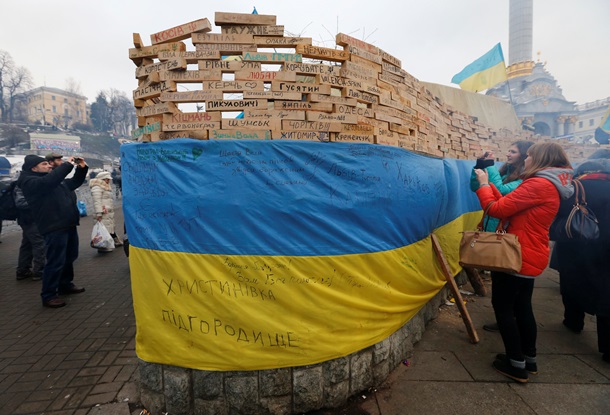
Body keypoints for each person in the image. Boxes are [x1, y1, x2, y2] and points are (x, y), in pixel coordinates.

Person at [473, 142, 574, 383]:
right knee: (521, 307)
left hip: (517, 255)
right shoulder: (547, 184)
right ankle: (528, 360)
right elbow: (510, 204)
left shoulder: (539, 184)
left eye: (529, 156)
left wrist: (485, 185)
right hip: (529, 252)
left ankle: (515, 364)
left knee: (504, 307)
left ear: (541, 159)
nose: (526, 160)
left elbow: (496, 209)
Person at [553, 149, 610, 363]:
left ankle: (573, 321)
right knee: (607, 293)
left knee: (573, 283)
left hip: (577, 246)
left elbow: (559, 215)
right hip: (607, 250)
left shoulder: (576, 187)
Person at [468, 141, 534, 315]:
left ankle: (509, 321)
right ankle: (506, 319)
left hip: (506, 233)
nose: (508, 154)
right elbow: (476, 186)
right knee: (499, 282)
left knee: (507, 288)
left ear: (524, 156)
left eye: (513, 151)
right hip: (494, 229)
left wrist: (489, 168)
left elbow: (502, 192)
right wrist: (480, 166)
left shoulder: (525, 179)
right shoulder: (505, 172)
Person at [18, 154, 89, 308]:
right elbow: (48, 182)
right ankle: (49, 294)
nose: (49, 166)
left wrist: (81, 169)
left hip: (67, 224)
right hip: (53, 226)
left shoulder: (51, 180)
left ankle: (65, 284)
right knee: (55, 261)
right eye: (44, 164)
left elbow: (74, 182)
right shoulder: (30, 181)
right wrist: (67, 165)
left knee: (69, 257)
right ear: (33, 167)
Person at [13, 184, 46, 281]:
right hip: (30, 219)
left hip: (28, 219)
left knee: (27, 244)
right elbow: (20, 202)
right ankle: (39, 271)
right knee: (39, 244)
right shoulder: (23, 184)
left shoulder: (23, 183)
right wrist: (40, 201)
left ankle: (22, 270)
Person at [89, 170, 123, 250]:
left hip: (107, 212)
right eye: (107, 179)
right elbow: (97, 201)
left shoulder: (104, 186)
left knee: (109, 228)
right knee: (104, 229)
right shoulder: (97, 187)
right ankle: (103, 246)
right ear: (102, 179)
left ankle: (114, 242)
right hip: (103, 212)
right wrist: (99, 213)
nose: (109, 181)